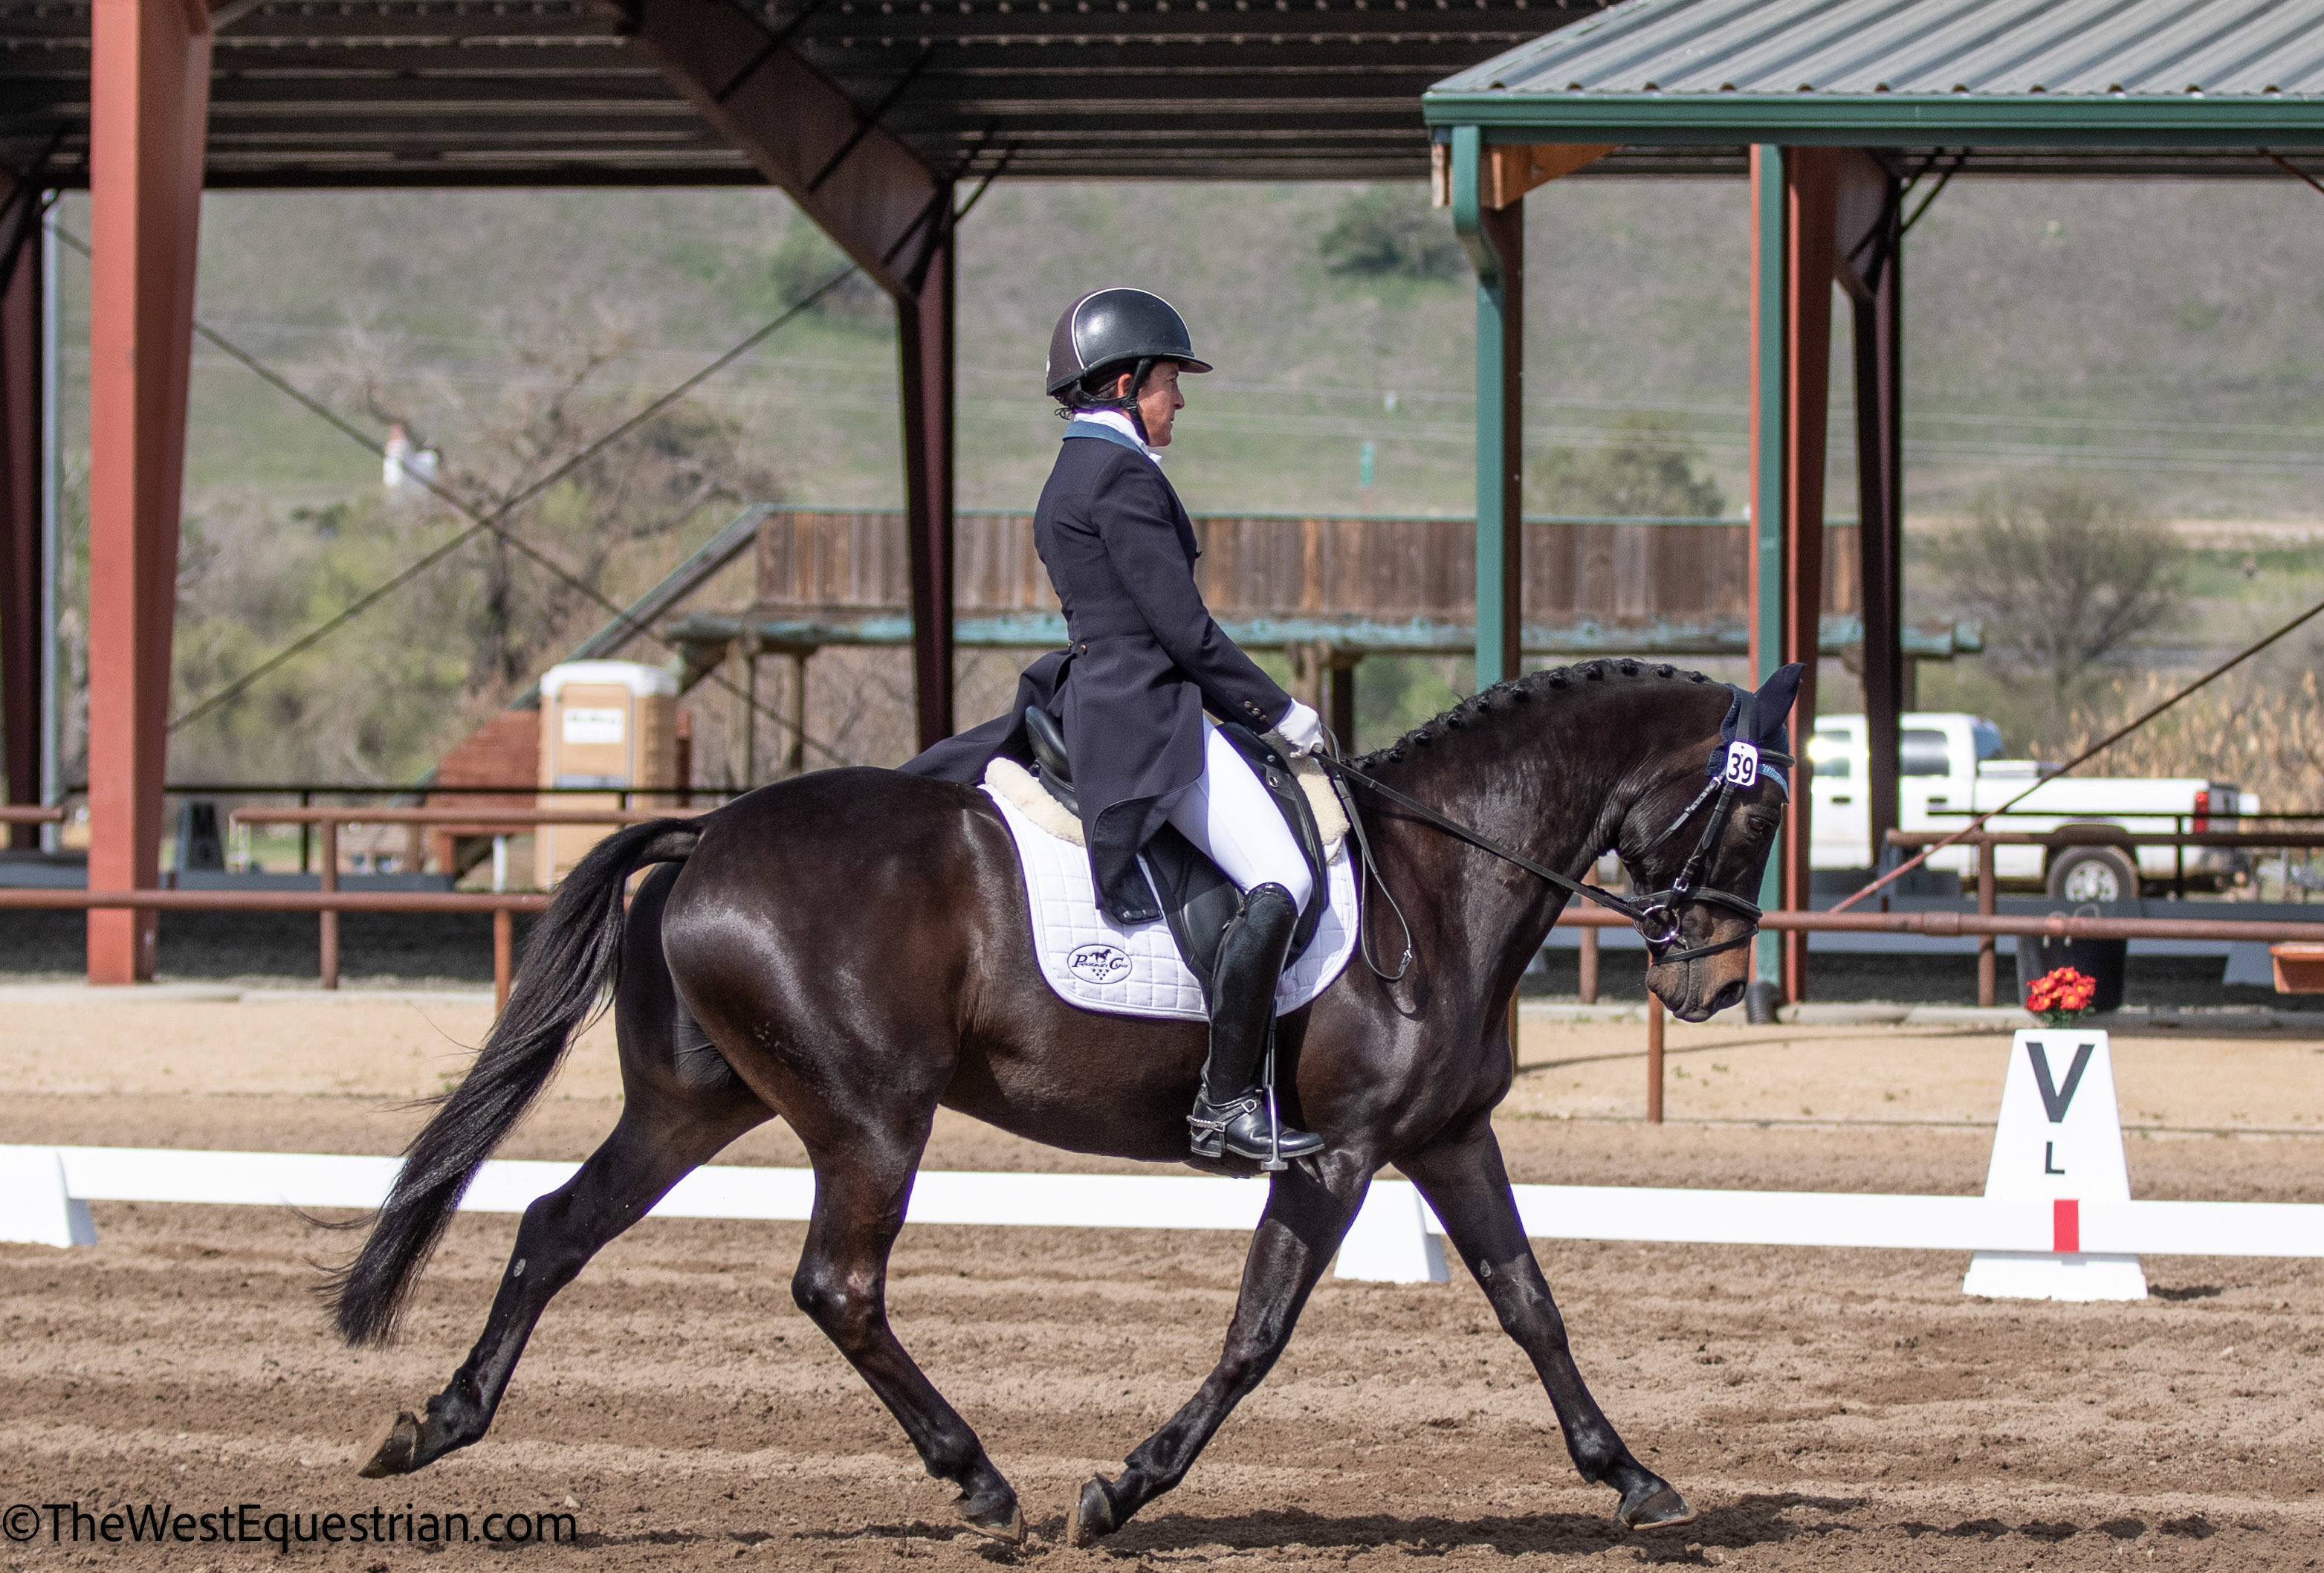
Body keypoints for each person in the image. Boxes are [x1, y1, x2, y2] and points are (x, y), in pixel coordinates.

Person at [901, 287, 1327, 1162]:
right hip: (1146, 713)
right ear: (1128, 381)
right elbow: (1184, 631)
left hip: (1101, 697)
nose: (1181, 399)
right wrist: (1279, 711)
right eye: (1172, 380)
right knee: (1283, 876)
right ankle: (1227, 1100)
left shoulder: (1073, 470)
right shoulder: (1123, 476)